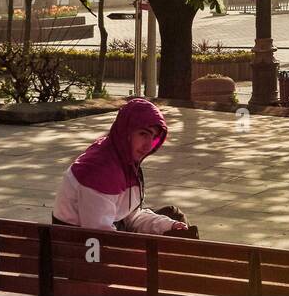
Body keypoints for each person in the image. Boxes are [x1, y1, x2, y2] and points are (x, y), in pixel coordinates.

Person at [53, 98, 194, 236]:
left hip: (103, 235)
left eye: (153, 137)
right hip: (81, 249)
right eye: (143, 134)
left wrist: (168, 226)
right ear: (126, 132)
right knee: (176, 237)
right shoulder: (100, 171)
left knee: (174, 219)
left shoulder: (120, 155)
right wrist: (140, 252)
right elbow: (100, 237)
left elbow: (130, 216)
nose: (148, 145)